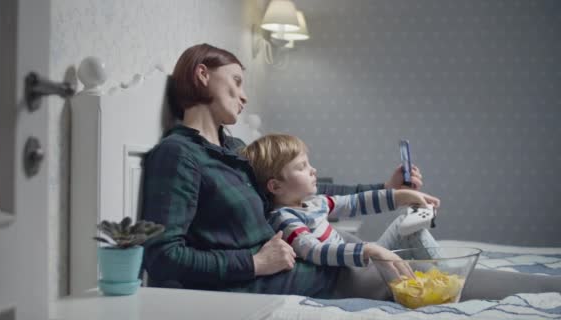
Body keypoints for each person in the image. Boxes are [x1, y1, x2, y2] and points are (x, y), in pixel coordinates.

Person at [141, 43, 561, 300]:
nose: (245, 95)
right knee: (433, 281)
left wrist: (386, 189)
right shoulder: (178, 156)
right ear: (201, 75)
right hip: (302, 280)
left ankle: (548, 289)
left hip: (322, 268)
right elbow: (162, 259)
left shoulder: (234, 149)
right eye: (235, 81)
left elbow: (307, 192)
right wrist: (253, 263)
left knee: (442, 274)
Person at [240, 133, 443, 299]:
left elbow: (355, 202)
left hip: (361, 265)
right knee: (407, 275)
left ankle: (445, 279)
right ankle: (445, 284)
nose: (313, 170)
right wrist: (368, 249)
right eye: (302, 167)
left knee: (406, 224)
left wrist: (399, 196)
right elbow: (314, 250)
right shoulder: (285, 219)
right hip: (351, 278)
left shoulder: (315, 202)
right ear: (276, 186)